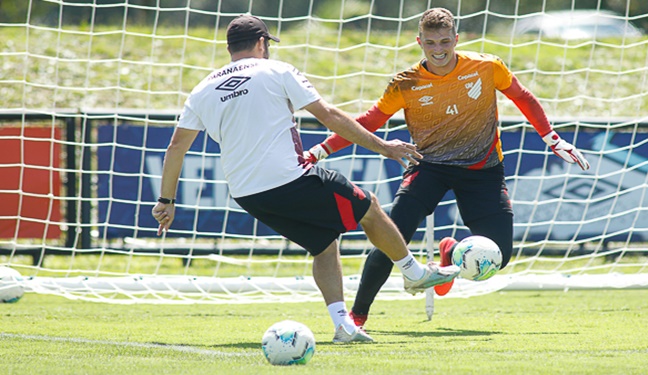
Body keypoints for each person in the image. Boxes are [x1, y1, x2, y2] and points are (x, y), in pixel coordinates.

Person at [151, 14, 460, 344]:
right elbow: (328, 116)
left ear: (229, 48)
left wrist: (166, 201)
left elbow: (176, 146)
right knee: (368, 206)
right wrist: (383, 146)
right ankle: (414, 274)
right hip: (290, 179)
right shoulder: (277, 70)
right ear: (261, 43)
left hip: (247, 194)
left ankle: (343, 325)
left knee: (324, 245)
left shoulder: (202, 89)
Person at [304, 7, 590, 329]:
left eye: (444, 42)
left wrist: (553, 139)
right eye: (430, 44)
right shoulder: (406, 82)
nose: (438, 51)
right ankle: (357, 318)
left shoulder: (486, 66)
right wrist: (321, 149)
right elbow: (369, 122)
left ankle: (451, 255)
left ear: (456, 39)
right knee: (390, 239)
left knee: (500, 255)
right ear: (419, 42)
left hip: (483, 169)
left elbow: (522, 96)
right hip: (429, 167)